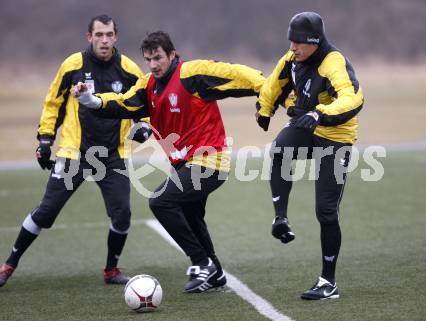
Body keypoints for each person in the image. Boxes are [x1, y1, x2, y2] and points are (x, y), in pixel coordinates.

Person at [71, 30, 266, 293]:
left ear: (172, 55)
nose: (153, 64)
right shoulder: (148, 84)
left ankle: (200, 262)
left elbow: (234, 73)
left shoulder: (191, 73)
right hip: (184, 164)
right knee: (192, 217)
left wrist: (265, 89)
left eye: (158, 58)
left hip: (210, 162)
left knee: (161, 201)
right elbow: (123, 103)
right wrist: (91, 100)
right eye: (148, 59)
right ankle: (215, 272)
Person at [0, 14, 146, 288]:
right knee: (46, 212)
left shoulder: (128, 69)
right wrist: (45, 139)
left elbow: (146, 101)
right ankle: (8, 264)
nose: (104, 40)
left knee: (123, 214)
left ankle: (111, 270)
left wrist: (144, 126)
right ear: (88, 37)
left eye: (109, 35)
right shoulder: (72, 65)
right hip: (74, 154)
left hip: (112, 156)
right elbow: (52, 103)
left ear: (116, 37)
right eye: (99, 35)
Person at [256, 12, 364, 300]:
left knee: (326, 211)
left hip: (336, 136)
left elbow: (352, 98)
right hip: (309, 124)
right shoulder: (295, 57)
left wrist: (320, 113)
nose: (292, 47)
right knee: (279, 150)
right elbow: (275, 82)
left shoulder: (333, 63)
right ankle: (280, 219)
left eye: (299, 42)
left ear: (314, 41)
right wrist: (265, 109)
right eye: (291, 41)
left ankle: (328, 282)